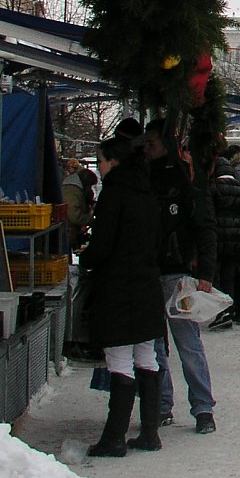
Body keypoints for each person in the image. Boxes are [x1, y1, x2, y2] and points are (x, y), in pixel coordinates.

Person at [82, 136, 168, 458]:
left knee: (119, 358)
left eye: (102, 161)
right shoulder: (147, 193)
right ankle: (149, 433)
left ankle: (115, 437)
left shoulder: (113, 195)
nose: (100, 167)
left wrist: (87, 258)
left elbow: (102, 246)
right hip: (146, 285)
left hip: (118, 288)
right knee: (147, 357)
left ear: (114, 162)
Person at [142, 121, 219, 435]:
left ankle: (199, 407)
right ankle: (170, 405)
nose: (146, 149)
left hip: (176, 272)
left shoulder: (184, 180)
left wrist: (205, 273)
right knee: (160, 345)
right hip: (157, 271)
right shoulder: (151, 177)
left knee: (185, 344)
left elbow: (204, 226)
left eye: (151, 143)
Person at [209, 144, 240, 329]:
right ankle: (229, 309)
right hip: (237, 238)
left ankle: (221, 311)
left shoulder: (214, 188)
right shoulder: (239, 189)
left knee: (217, 276)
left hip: (218, 238)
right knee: (230, 275)